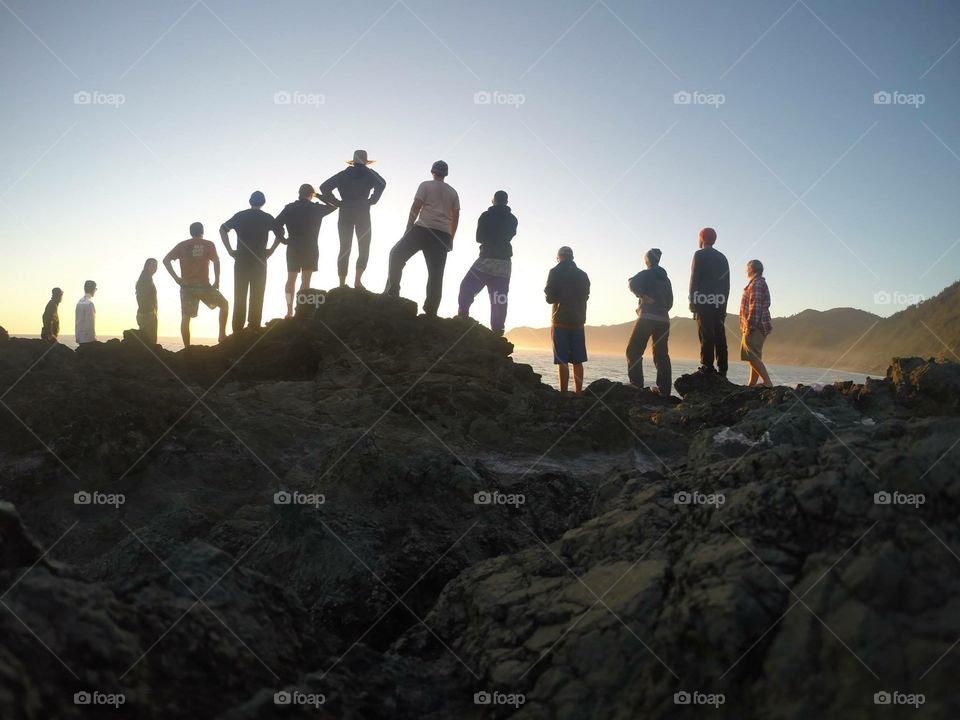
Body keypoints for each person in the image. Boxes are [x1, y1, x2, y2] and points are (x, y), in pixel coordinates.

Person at [384, 160, 460, 317]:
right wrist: (451, 238)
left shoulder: (425, 185)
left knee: (396, 254)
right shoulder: (453, 192)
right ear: (446, 174)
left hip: (423, 230)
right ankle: (431, 311)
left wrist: (408, 228)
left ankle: (393, 292)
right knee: (436, 274)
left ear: (433, 172)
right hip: (443, 235)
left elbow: (416, 207)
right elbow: (455, 216)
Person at [319, 150, 386, 289]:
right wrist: (372, 200)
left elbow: (323, 187)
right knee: (364, 247)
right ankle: (357, 281)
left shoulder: (342, 174)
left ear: (353, 161)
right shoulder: (370, 174)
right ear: (366, 161)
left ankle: (342, 283)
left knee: (344, 247)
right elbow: (383, 183)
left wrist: (337, 202)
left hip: (345, 210)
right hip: (362, 211)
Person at [219, 191, 283, 334]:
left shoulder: (240, 216)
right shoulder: (267, 218)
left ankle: (237, 328)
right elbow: (281, 234)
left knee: (239, 294)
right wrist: (271, 250)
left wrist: (229, 250)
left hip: (241, 259)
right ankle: (254, 326)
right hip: (260, 260)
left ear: (250, 201)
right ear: (263, 202)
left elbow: (223, 229)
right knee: (258, 293)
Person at [457, 190, 518, 335]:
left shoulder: (486, 215)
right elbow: (509, 235)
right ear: (507, 202)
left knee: (467, 286)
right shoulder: (513, 219)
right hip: (504, 261)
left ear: (493, 200)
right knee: (499, 296)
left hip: (487, 257)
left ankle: (462, 315)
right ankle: (498, 329)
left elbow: (479, 237)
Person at [276, 184, 337, 317]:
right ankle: (301, 309)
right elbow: (334, 204)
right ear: (311, 194)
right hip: (310, 247)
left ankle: (289, 311)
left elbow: (276, 224)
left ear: (299, 193)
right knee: (306, 281)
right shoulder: (316, 208)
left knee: (291, 279)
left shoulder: (289, 208)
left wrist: (283, 239)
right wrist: (318, 195)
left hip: (293, 246)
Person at [164, 222, 228, 347]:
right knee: (224, 305)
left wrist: (177, 278)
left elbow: (166, 260)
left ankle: (187, 347)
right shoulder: (208, 244)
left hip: (187, 287)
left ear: (190, 232)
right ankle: (221, 335)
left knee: (186, 316)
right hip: (203, 285)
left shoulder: (182, 245)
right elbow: (216, 261)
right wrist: (217, 280)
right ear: (202, 231)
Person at [626, 248, 673, 394]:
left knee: (633, 350)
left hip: (647, 317)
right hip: (664, 320)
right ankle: (664, 390)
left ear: (647, 260)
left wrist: (643, 297)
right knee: (661, 354)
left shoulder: (646, 273)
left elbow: (631, 284)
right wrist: (661, 309)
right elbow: (670, 302)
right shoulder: (666, 279)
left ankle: (636, 384)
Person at [545, 246, 590, 394]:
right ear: (572, 257)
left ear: (559, 257)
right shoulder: (583, 275)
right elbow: (585, 296)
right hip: (578, 322)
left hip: (560, 320)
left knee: (562, 360)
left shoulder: (555, 272)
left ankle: (563, 393)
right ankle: (578, 393)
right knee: (578, 360)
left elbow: (550, 298)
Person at [688, 227, 730, 377]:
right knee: (720, 334)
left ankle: (707, 366)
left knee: (706, 333)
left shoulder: (699, 255)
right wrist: (724, 305)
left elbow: (694, 279)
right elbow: (727, 285)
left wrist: (692, 302)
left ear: (701, 238)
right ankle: (723, 369)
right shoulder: (723, 258)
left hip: (703, 301)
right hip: (719, 302)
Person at [740, 259, 774, 387]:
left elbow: (756, 306)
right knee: (754, 357)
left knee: (752, 356)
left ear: (751, 269)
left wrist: (749, 325)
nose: (745, 271)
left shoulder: (756, 284)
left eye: (746, 268)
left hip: (755, 326)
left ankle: (767, 383)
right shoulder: (757, 283)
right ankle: (752, 385)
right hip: (758, 326)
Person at [136, 258, 159, 345]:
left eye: (156, 265)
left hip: (147, 313)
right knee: (149, 342)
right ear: (146, 266)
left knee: (147, 341)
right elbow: (142, 297)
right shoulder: (146, 279)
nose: (155, 267)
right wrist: (150, 311)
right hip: (147, 314)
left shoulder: (147, 278)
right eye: (152, 265)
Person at [75, 280, 97, 345]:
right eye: (95, 289)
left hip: (80, 338)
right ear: (93, 289)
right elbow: (90, 323)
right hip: (87, 339)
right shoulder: (89, 303)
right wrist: (93, 338)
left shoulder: (79, 302)